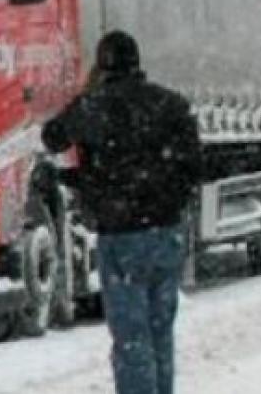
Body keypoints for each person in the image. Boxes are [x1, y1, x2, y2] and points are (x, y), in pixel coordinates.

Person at [42, 31, 203, 394]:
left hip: (122, 237)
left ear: (104, 64)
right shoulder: (171, 105)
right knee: (161, 331)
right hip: (167, 234)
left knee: (131, 337)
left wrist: (81, 178)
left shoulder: (94, 107)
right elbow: (194, 167)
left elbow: (53, 136)